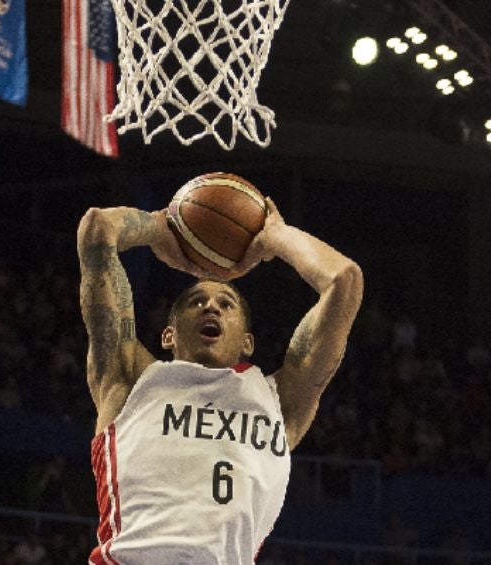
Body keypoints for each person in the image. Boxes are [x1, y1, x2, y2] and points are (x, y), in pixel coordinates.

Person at [76, 194, 363, 564]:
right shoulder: (130, 377)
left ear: (247, 342)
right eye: (196, 301)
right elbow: (98, 228)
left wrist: (275, 236)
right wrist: (160, 229)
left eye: (226, 304)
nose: (211, 306)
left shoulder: (280, 400)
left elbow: (345, 281)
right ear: (169, 335)